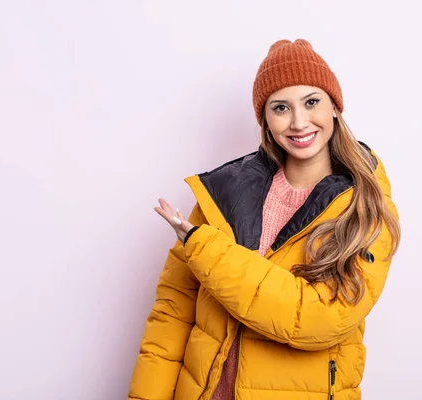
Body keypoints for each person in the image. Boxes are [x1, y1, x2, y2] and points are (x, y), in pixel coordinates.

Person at [128, 38, 401, 400]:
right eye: (280, 107)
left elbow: (319, 318)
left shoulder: (365, 204)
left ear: (335, 107)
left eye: (311, 102)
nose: (299, 121)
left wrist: (207, 250)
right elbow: (172, 315)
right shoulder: (224, 194)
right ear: (265, 120)